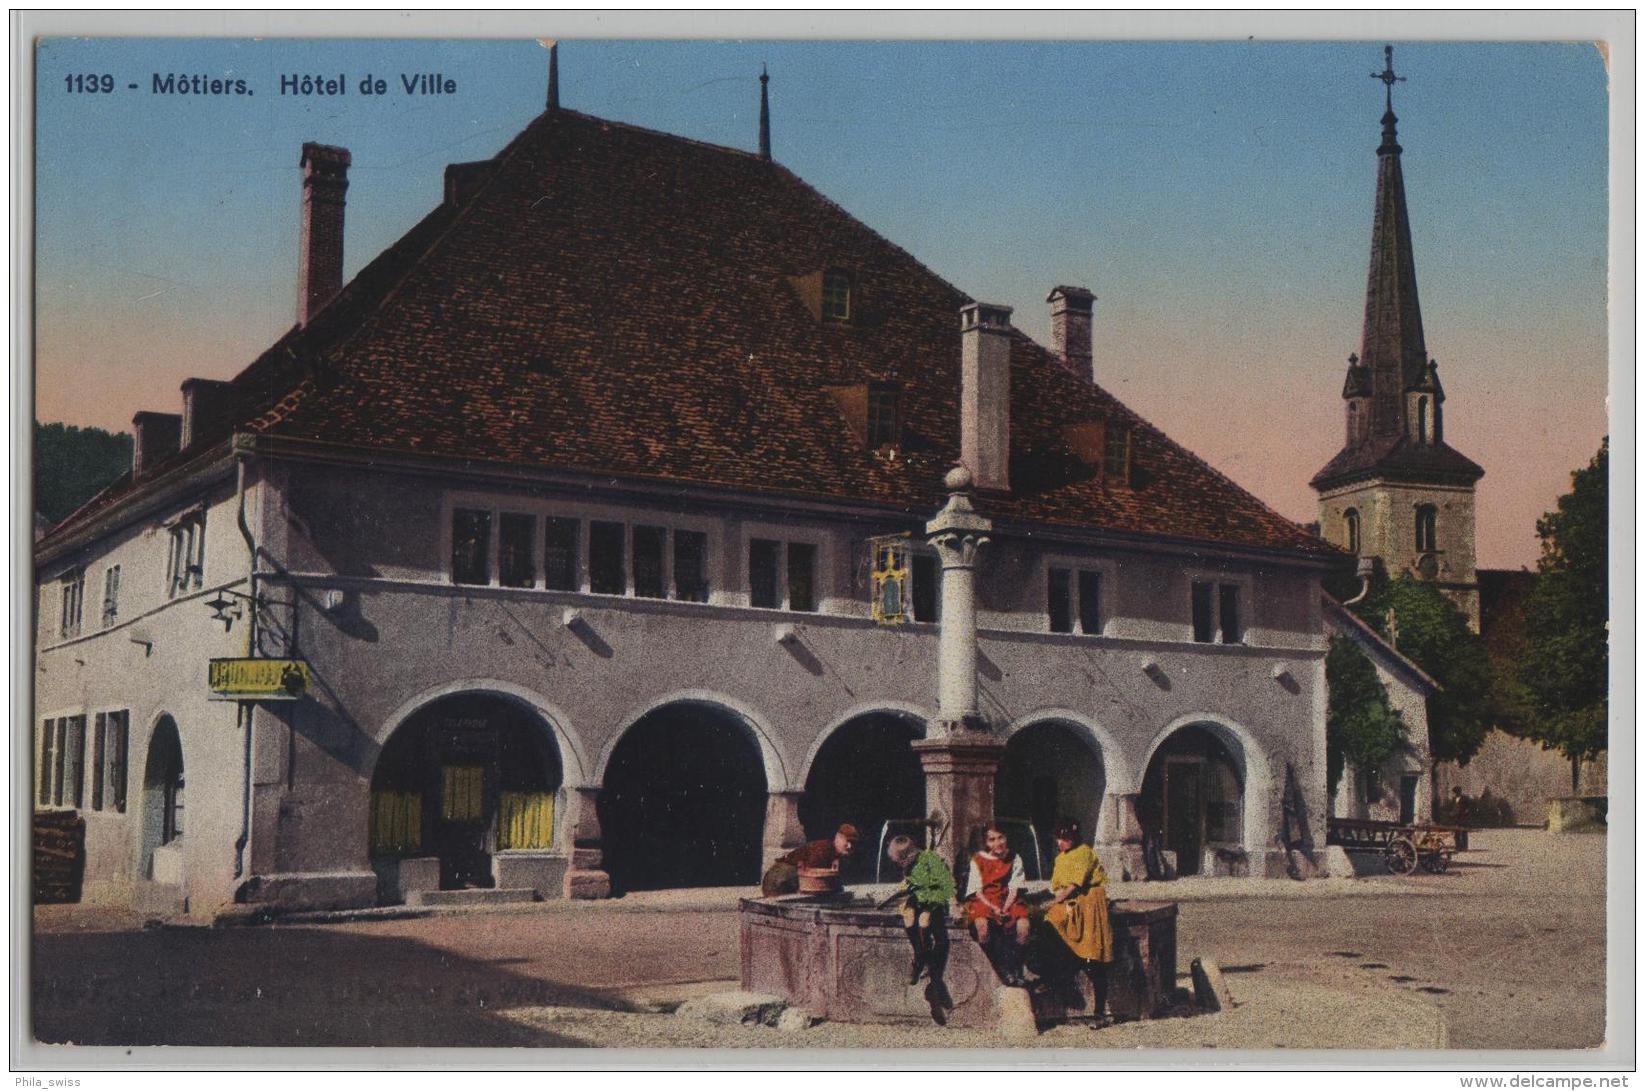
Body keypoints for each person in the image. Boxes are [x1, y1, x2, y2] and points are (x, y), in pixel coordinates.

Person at [1041, 819, 1114, 1025]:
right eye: (1060, 839)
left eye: (1066, 839)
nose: (1062, 843)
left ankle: (1099, 1012)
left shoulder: (1083, 852)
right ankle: (1057, 978)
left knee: (1092, 956)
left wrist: (1055, 899)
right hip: (1071, 903)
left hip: (1090, 902)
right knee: (1049, 926)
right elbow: (1057, 885)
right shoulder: (1060, 858)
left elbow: (1074, 884)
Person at [885, 833, 957, 1022]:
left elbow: (947, 883)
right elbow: (911, 883)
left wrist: (954, 903)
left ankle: (921, 960)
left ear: (906, 856)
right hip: (918, 897)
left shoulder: (929, 859)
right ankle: (920, 955)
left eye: (899, 861)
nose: (900, 865)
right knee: (908, 916)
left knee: (924, 920)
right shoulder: (909, 864)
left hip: (932, 898)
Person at [963, 823, 1031, 987]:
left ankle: (1014, 966)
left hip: (1008, 899)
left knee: (1023, 926)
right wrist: (994, 909)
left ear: (1006, 838)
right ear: (987, 843)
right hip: (985, 900)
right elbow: (977, 891)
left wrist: (1005, 907)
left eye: (1001, 838)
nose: (997, 843)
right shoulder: (978, 860)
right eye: (992, 840)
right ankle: (1003, 969)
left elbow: (1015, 887)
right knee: (982, 927)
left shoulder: (1015, 858)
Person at [760, 823, 858, 896]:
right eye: (847, 841)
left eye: (853, 843)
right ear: (838, 838)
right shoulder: (822, 850)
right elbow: (811, 876)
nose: (850, 846)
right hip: (778, 880)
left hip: (788, 878)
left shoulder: (834, 854)